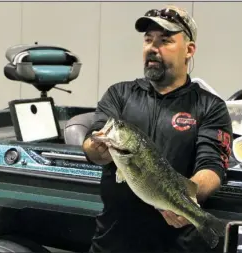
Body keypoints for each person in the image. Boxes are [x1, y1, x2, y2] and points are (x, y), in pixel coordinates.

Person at [82, 5, 233, 253]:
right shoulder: (119, 94)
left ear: (189, 49)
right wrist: (96, 148)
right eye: (148, 40)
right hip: (113, 241)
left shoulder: (210, 107)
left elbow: (212, 165)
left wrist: (185, 201)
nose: (153, 47)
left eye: (165, 41)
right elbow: (93, 144)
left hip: (176, 243)